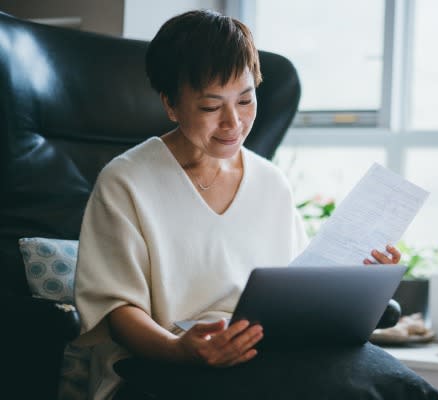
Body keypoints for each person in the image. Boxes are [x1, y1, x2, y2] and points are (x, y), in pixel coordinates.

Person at [73, 9, 401, 400]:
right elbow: (117, 310)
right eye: (211, 107)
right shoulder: (125, 181)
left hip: (271, 353)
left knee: (391, 383)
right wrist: (179, 350)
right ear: (171, 105)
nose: (233, 123)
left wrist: (358, 281)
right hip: (160, 364)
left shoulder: (271, 182)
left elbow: (297, 289)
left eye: (245, 100)